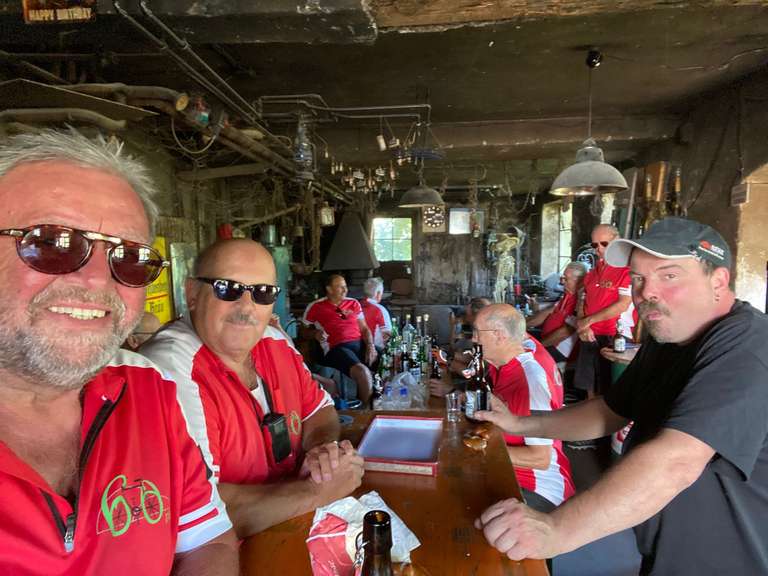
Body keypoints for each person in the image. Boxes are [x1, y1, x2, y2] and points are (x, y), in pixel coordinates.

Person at [0, 129, 237, 575]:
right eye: (51, 243)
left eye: (129, 257)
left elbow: (208, 544)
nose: (97, 280)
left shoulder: (145, 389)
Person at [474, 217, 768, 575]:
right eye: (639, 278)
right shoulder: (669, 338)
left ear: (718, 280)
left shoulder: (746, 346)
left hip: (731, 560)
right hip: (667, 550)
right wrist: (521, 422)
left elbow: (677, 461)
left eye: (669, 276)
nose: (646, 292)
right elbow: (610, 411)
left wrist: (555, 529)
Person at [142, 240, 364, 538]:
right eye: (227, 288)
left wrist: (322, 454)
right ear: (192, 293)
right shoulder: (168, 368)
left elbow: (320, 412)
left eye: (262, 292)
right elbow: (194, 509)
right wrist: (316, 491)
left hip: (293, 530)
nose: (246, 307)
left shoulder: (275, 342)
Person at [473, 305, 575, 512]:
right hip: (510, 472)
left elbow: (541, 458)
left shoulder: (530, 382)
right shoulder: (507, 357)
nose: (473, 339)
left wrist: (479, 449)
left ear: (499, 335)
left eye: (476, 332)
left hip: (539, 490)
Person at [574, 224, 633, 398]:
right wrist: (582, 326)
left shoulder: (626, 271)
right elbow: (581, 302)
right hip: (589, 333)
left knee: (610, 388)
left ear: (616, 242)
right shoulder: (591, 274)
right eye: (595, 245)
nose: (598, 249)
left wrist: (588, 321)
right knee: (589, 385)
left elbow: (622, 304)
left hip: (615, 335)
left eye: (604, 244)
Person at [303, 274, 376, 403]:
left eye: (345, 286)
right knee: (362, 372)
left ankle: (388, 404)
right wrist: (315, 333)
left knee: (391, 359)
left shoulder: (353, 303)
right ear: (329, 289)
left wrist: (371, 346)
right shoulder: (316, 306)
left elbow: (365, 329)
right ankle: (366, 410)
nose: (345, 290)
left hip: (359, 344)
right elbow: (302, 332)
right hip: (336, 348)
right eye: (340, 287)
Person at [526, 262, 587, 363]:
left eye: (566, 279)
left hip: (559, 349)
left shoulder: (581, 300)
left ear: (579, 281)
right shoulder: (567, 294)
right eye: (562, 278)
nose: (562, 282)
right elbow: (546, 313)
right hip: (548, 340)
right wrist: (523, 324)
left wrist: (539, 346)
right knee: (521, 338)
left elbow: (565, 332)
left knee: (524, 355)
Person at [359, 277, 392, 355]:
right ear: (378, 293)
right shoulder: (380, 310)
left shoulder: (356, 306)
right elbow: (388, 335)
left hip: (358, 349)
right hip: (376, 351)